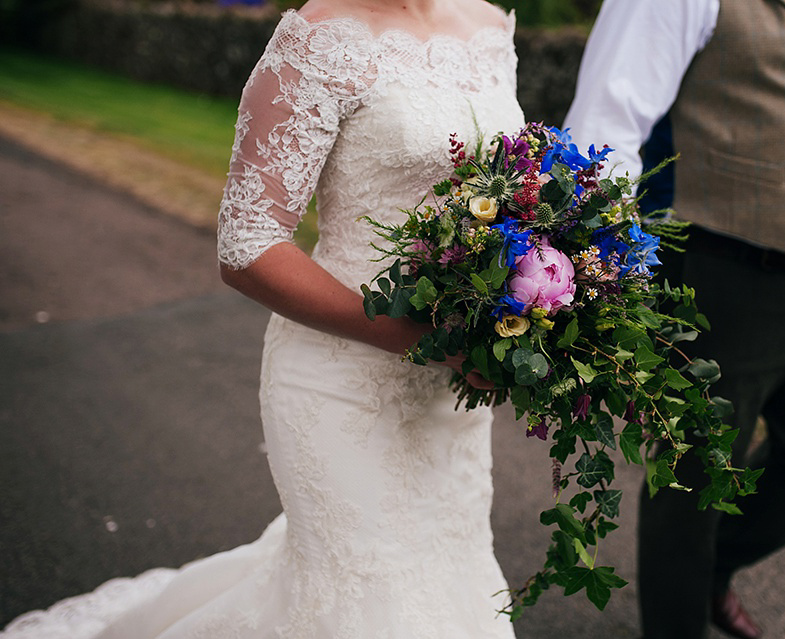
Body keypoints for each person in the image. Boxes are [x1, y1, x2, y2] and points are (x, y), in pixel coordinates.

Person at [2, 0, 523, 637]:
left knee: (448, 584)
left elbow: (504, 198)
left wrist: (527, 304)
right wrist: (422, 338)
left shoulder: (489, 27)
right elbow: (248, 244)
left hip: (451, 394)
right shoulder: (318, 38)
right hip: (342, 384)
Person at [564, 1, 785, 638]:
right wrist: (605, 267)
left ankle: (705, 568)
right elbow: (606, 122)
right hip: (717, 267)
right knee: (690, 483)